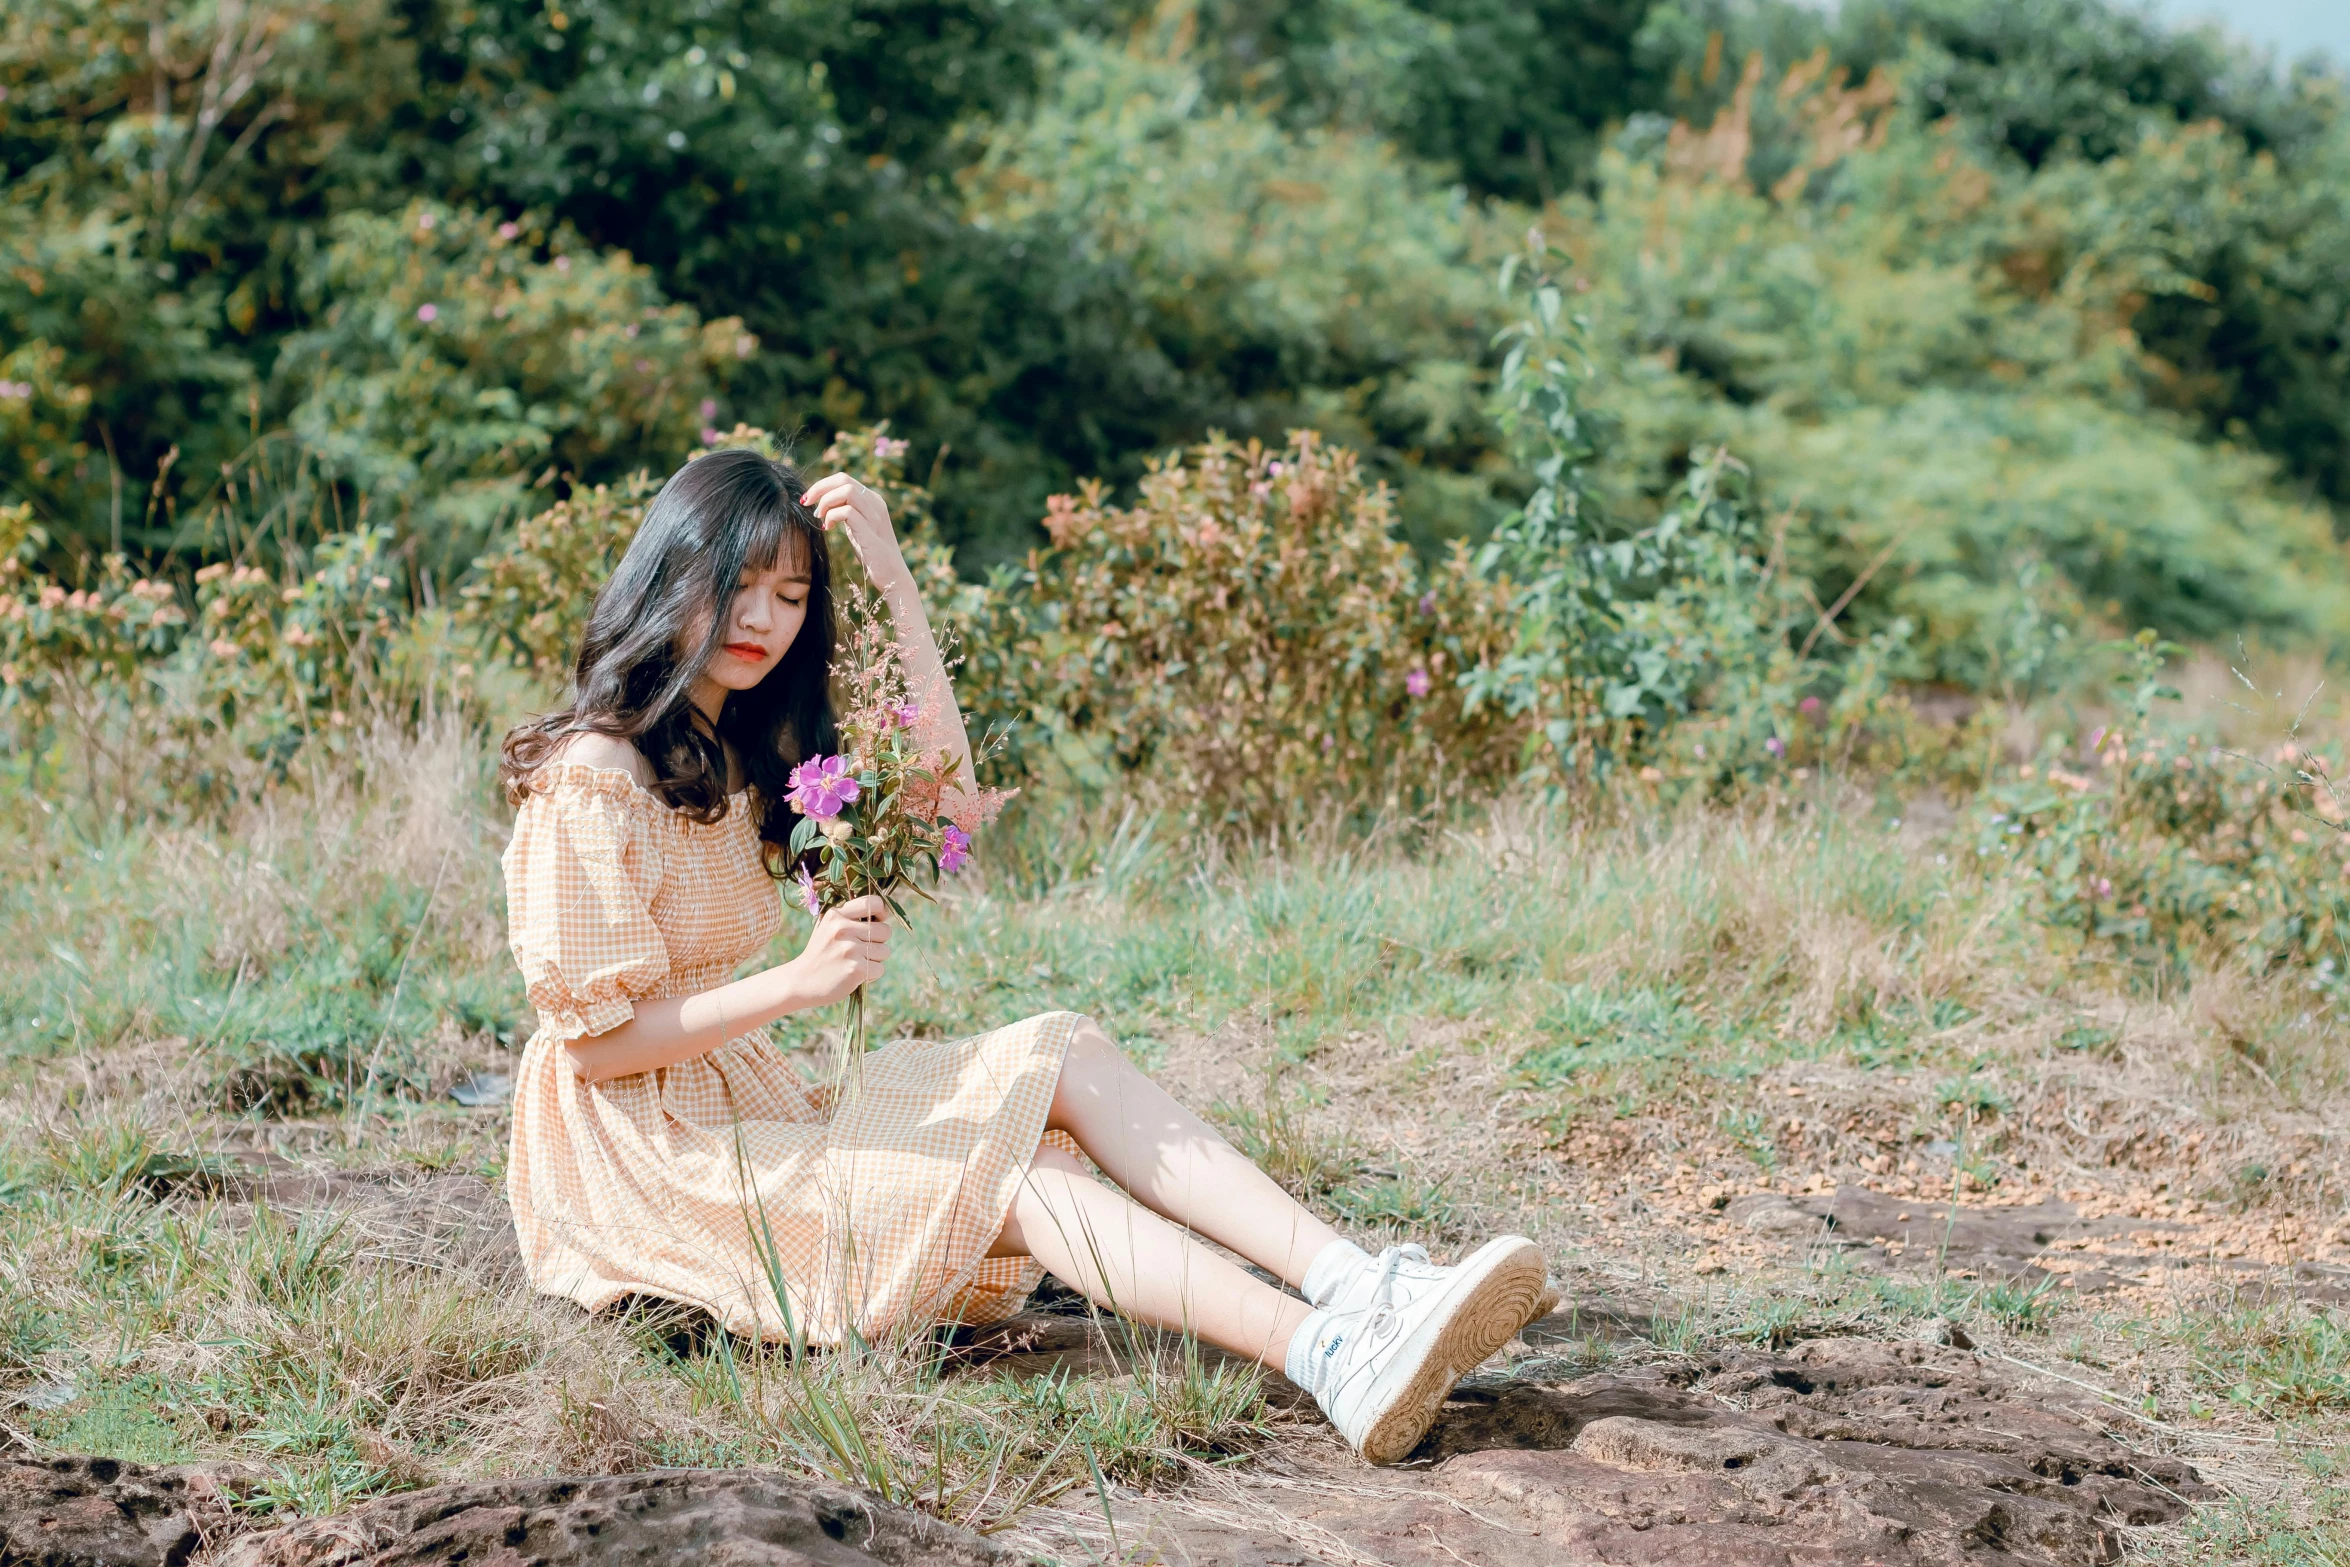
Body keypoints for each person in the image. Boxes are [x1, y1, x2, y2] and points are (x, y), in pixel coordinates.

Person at [496, 445, 1552, 1464]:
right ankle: (1330, 1359)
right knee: (1012, 1172)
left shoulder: (736, 746)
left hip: (739, 1101)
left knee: (1063, 1051)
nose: (763, 620)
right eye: (738, 585)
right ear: (673, 569)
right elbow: (594, 1047)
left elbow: (943, 798)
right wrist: (797, 984)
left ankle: (1357, 1286)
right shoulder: (597, 774)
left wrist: (897, 586)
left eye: (791, 594)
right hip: (639, 1157)